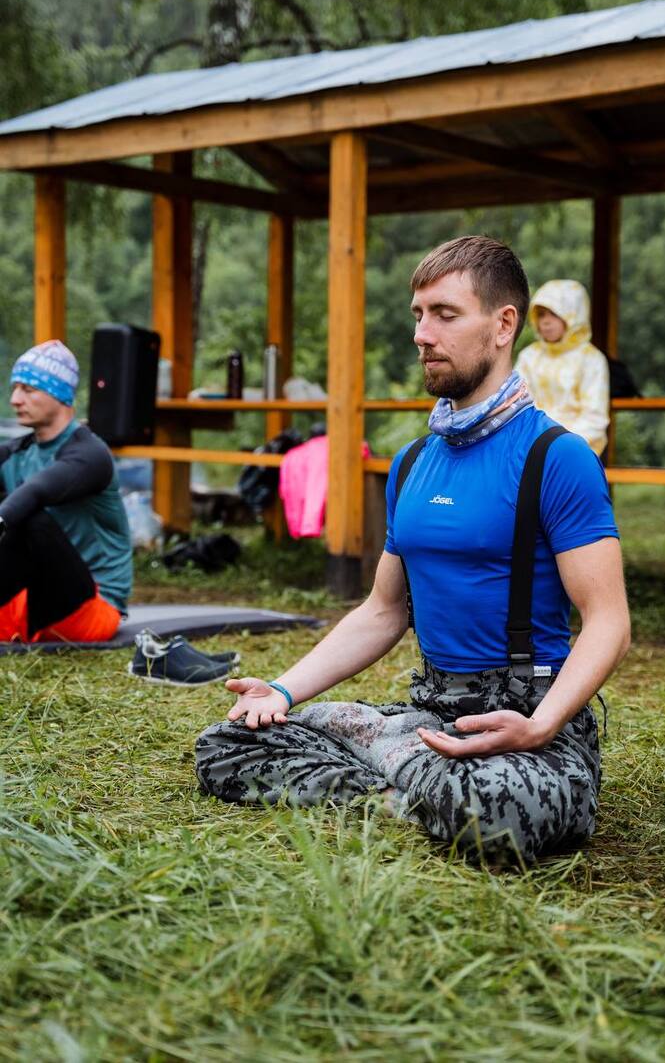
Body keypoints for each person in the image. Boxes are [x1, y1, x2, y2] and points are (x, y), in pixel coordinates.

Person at [196, 237, 630, 863]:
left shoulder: (557, 458)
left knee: (503, 811)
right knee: (227, 743)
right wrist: (282, 692)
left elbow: (609, 621)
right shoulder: (413, 462)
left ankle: (413, 780)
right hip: (427, 712)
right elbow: (383, 610)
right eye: (418, 315)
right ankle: (414, 783)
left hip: (527, 721)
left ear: (504, 324)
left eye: (445, 314)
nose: (423, 334)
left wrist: (542, 724)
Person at [0, 339, 132, 643]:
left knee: (28, 515)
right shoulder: (17, 453)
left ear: (59, 394)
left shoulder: (91, 454)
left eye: (28, 390)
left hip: (90, 611)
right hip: (28, 603)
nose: (15, 399)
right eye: (15, 389)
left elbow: (36, 492)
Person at [516, 279, 609, 455]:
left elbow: (594, 417)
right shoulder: (529, 357)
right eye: (541, 314)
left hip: (577, 450)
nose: (546, 322)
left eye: (554, 314)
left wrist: (559, 446)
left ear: (574, 315)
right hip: (529, 448)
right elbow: (518, 406)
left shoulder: (591, 359)